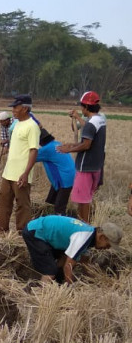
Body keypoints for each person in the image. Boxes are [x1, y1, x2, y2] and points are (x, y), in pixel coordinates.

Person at [22, 215, 122, 284]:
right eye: (108, 245)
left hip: (44, 233)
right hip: (36, 232)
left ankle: (56, 282)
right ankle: (41, 294)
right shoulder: (83, 237)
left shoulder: (89, 235)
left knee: (62, 258)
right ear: (102, 237)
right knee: (50, 270)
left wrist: (95, 279)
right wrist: (69, 287)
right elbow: (68, 266)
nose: (106, 248)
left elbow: (84, 261)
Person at [56, 91, 106, 223]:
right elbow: (89, 141)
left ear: (87, 107)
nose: (81, 109)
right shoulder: (100, 120)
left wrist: (69, 149)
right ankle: (86, 224)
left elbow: (86, 145)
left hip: (85, 167)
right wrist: (72, 144)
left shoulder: (90, 124)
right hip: (96, 166)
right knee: (88, 199)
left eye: (82, 106)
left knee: (82, 201)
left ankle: (82, 226)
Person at [0, 94, 40, 233]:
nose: (13, 110)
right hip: (9, 172)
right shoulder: (17, 124)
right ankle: (1, 229)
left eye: (16, 107)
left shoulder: (32, 126)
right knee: (4, 201)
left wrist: (26, 173)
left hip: (21, 173)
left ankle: (23, 232)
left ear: (25, 108)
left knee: (22, 204)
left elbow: (33, 151)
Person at [36, 129, 76, 215]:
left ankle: (60, 224)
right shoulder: (56, 143)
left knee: (59, 207)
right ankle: (49, 217)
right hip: (68, 176)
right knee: (51, 201)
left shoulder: (46, 149)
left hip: (63, 179)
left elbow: (31, 157)